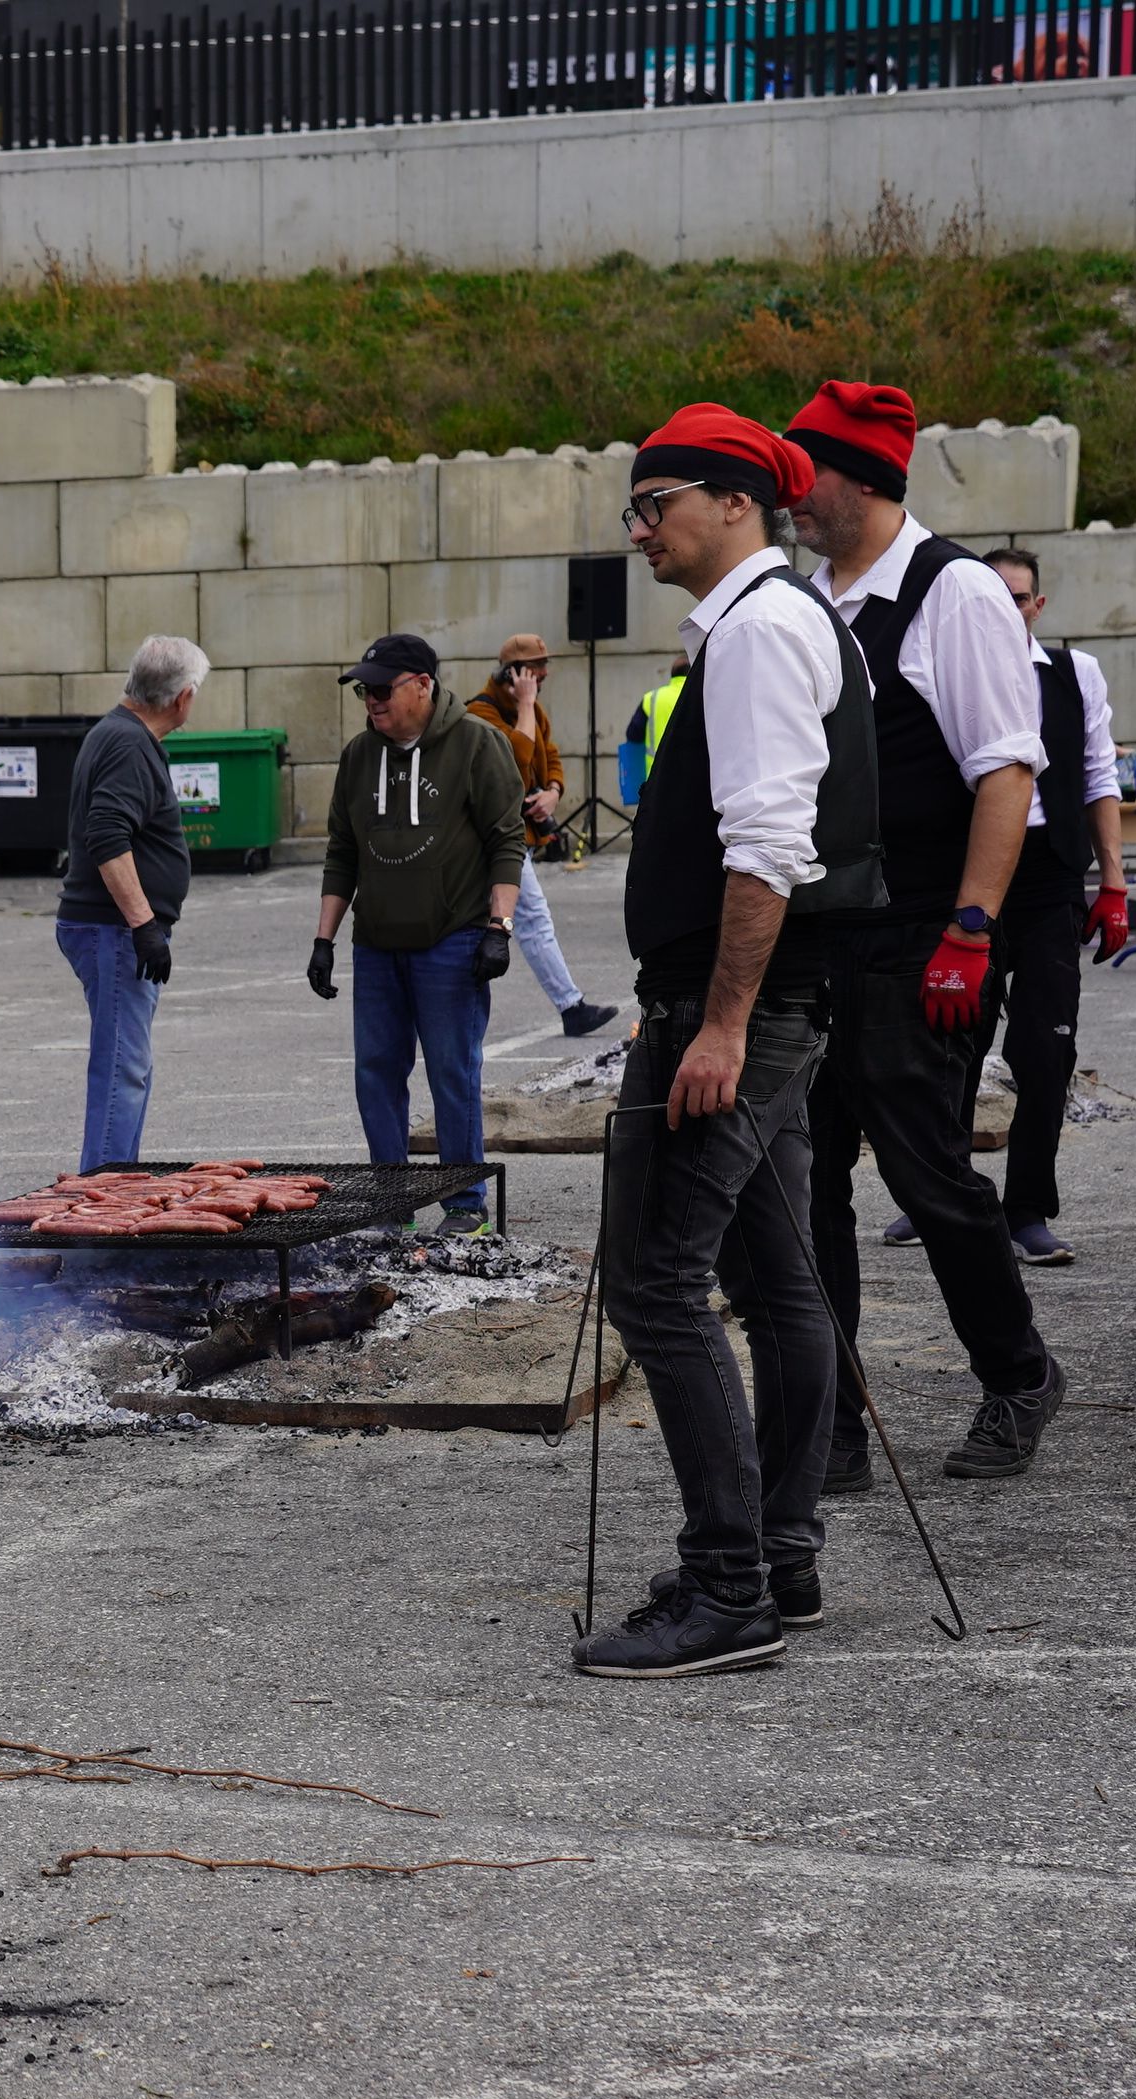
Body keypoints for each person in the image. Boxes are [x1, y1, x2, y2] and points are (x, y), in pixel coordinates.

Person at [573, 404, 871, 1681]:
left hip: (733, 1010)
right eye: (634, 509)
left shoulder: (758, 631)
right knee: (780, 1282)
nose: (641, 530)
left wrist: (724, 1026)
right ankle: (778, 1553)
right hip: (763, 1005)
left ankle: (729, 1586)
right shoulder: (782, 619)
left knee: (655, 1283)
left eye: (658, 504)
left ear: (736, 502)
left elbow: (767, 844)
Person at [782, 380, 1063, 1489]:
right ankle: (833, 1426)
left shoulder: (956, 593)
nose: (792, 492)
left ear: (862, 480)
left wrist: (971, 930)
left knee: (928, 1178)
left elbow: (1007, 772)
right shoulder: (810, 598)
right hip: (820, 938)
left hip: (917, 939)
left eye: (806, 472)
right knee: (805, 1191)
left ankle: (1020, 1375)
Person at [309, 632, 527, 1236]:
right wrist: (324, 941)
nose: (372, 700)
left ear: (423, 685)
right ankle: (391, 1200)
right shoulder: (358, 757)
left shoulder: (477, 743)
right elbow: (342, 853)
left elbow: (507, 842)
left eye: (382, 689)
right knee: (376, 1071)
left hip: (451, 939)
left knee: (452, 1071)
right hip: (377, 945)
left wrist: (499, 927)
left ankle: (465, 1203)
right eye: (364, 691)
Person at [978, 546, 1125, 1266]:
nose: (1007, 609)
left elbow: (1100, 776)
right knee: (952, 1042)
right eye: (993, 596)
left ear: (1037, 606)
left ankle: (1027, 1208)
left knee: (1046, 1046)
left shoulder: (1075, 674)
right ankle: (942, 1196)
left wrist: (1114, 884)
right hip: (971, 876)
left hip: (1048, 876)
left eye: (1019, 597)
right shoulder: (950, 671)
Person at [52, 635, 206, 1172]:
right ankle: (103, 1199)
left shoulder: (119, 733)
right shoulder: (127, 744)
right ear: (183, 697)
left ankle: (119, 1180)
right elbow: (106, 834)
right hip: (113, 931)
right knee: (123, 1066)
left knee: (129, 1064)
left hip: (108, 929)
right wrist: (143, 924)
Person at [463, 634, 624, 1037]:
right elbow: (514, 759)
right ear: (513, 673)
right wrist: (524, 705)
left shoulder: (533, 710)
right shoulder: (480, 714)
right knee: (529, 919)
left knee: (508, 921)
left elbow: (548, 755)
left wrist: (552, 791)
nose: (543, 675)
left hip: (513, 833)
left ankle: (569, 1007)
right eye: (536, 669)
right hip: (492, 835)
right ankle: (570, 1006)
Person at [619, 664, 688, 807]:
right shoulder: (702, 695)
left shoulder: (652, 698)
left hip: (657, 777)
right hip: (695, 776)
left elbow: (633, 734)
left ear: (672, 675)